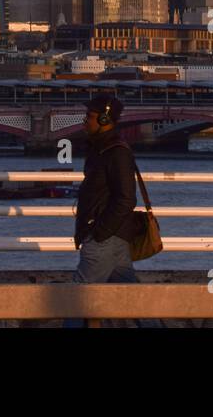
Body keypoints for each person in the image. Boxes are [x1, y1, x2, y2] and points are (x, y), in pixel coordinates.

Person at [72, 96, 139, 285]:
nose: (85, 121)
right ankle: (142, 314)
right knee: (127, 296)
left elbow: (126, 199)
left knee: (76, 298)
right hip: (114, 237)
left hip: (104, 239)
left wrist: (99, 233)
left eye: (89, 116)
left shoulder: (116, 152)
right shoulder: (101, 148)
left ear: (104, 119)